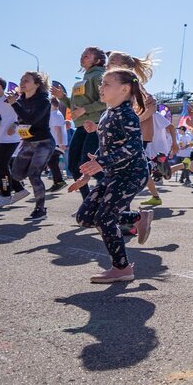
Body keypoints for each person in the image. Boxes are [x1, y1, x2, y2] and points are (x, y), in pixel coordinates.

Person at [73, 69, 155, 283]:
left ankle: (122, 268)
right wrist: (88, 173)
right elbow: (108, 147)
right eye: (102, 84)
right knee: (84, 217)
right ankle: (138, 217)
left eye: (107, 84)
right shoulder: (107, 113)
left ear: (125, 89)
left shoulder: (127, 114)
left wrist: (100, 162)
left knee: (104, 218)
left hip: (131, 174)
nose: (101, 88)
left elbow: (134, 147)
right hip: (113, 174)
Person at [0, 72, 56, 218]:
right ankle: (31, 177)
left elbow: (31, 118)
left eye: (26, 80)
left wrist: (15, 103)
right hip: (28, 142)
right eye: (21, 80)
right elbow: (18, 117)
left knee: (34, 175)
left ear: (37, 85)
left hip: (44, 142)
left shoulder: (44, 101)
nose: (22, 82)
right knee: (17, 174)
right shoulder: (20, 99)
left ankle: (40, 209)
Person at [58, 47, 106, 198]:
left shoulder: (98, 75)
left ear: (97, 60)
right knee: (73, 165)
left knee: (87, 165)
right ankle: (88, 201)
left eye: (87, 56)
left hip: (95, 125)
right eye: (82, 55)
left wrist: (85, 109)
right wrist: (62, 97)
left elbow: (106, 101)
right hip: (81, 126)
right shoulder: (85, 78)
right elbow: (75, 107)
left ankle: (112, 193)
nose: (82, 57)